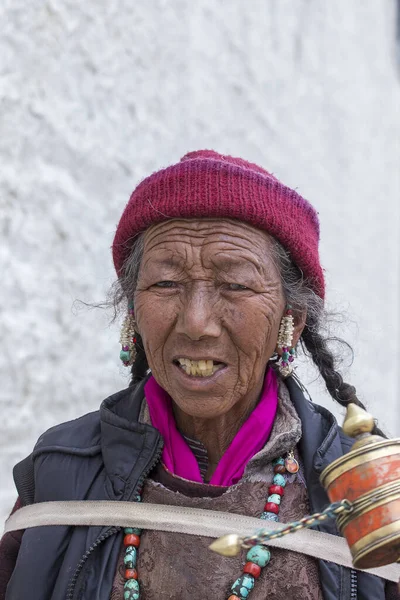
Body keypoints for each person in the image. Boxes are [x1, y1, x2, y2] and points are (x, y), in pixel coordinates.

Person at [1, 150, 398, 600]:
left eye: (236, 285)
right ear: (133, 310)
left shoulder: (366, 492)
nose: (195, 322)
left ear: (294, 318)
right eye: (166, 283)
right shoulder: (59, 470)